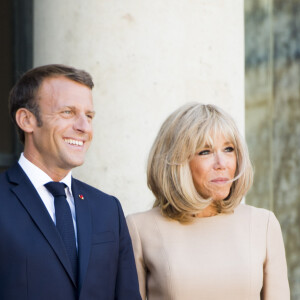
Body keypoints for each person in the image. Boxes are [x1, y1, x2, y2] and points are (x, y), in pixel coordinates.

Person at [0, 64, 141, 300]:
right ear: (26, 120)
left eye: (89, 116)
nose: (84, 127)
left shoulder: (108, 209)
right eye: (68, 112)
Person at [127, 103, 290, 300]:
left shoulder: (263, 224)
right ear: (177, 163)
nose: (222, 164)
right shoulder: (139, 228)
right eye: (205, 151)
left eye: (229, 149)